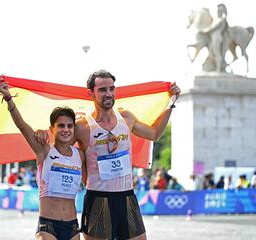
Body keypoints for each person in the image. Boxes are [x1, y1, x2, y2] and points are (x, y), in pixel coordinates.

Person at [36, 69, 180, 239]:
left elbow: (154, 133)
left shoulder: (126, 118)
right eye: (103, 90)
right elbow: (59, 149)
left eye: (112, 89)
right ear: (91, 93)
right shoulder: (82, 126)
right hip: (98, 199)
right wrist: (41, 134)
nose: (109, 94)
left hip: (127, 197)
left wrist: (170, 103)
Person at [0, 76, 86, 240]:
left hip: (72, 225)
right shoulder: (43, 150)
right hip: (48, 226)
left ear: (74, 128)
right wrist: (9, 99)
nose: (66, 129)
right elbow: (22, 126)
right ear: (52, 129)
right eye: (61, 126)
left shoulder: (80, 155)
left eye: (70, 126)